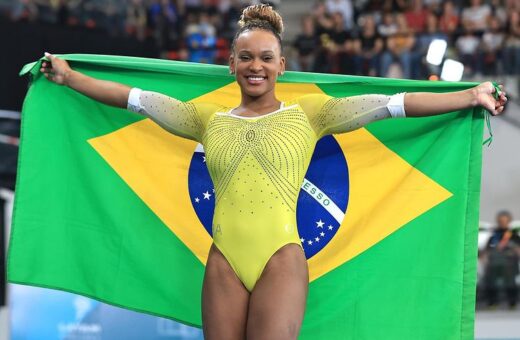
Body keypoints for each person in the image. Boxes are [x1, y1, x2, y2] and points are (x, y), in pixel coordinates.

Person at [39, 4, 507, 339]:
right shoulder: (205, 121)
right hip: (223, 261)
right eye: (245, 57)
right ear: (232, 65)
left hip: (280, 260)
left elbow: (395, 105)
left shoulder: (310, 115)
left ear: (281, 65)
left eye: (265, 58)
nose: (255, 66)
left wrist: (469, 96)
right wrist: (69, 77)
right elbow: (132, 98)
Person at [482, 211, 520, 308]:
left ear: (509, 221)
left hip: (510, 264)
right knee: (491, 283)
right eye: (501, 221)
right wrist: (485, 258)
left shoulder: (513, 235)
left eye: (505, 221)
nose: (503, 223)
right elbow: (487, 249)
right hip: (494, 263)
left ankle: (512, 303)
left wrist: (513, 250)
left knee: (511, 283)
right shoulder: (494, 235)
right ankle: (492, 303)